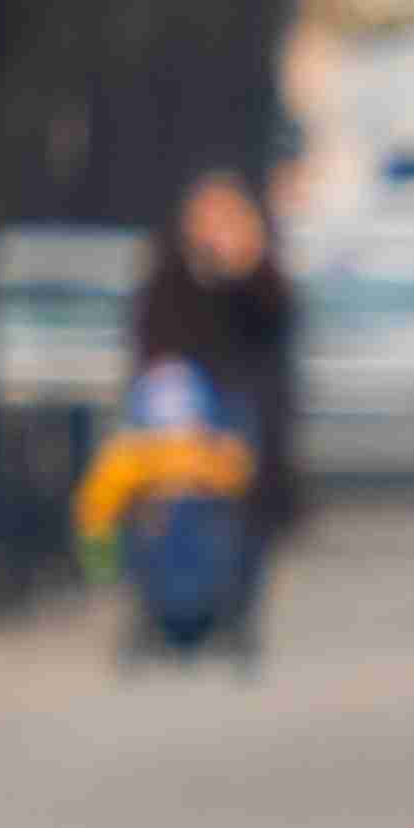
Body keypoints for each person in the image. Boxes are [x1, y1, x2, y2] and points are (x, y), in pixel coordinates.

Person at [129, 172, 304, 619]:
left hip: (240, 410)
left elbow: (275, 325)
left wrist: (242, 264)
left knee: (237, 505)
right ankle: (168, 598)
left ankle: (231, 598)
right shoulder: (170, 272)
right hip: (182, 414)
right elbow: (151, 341)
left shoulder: (258, 275)